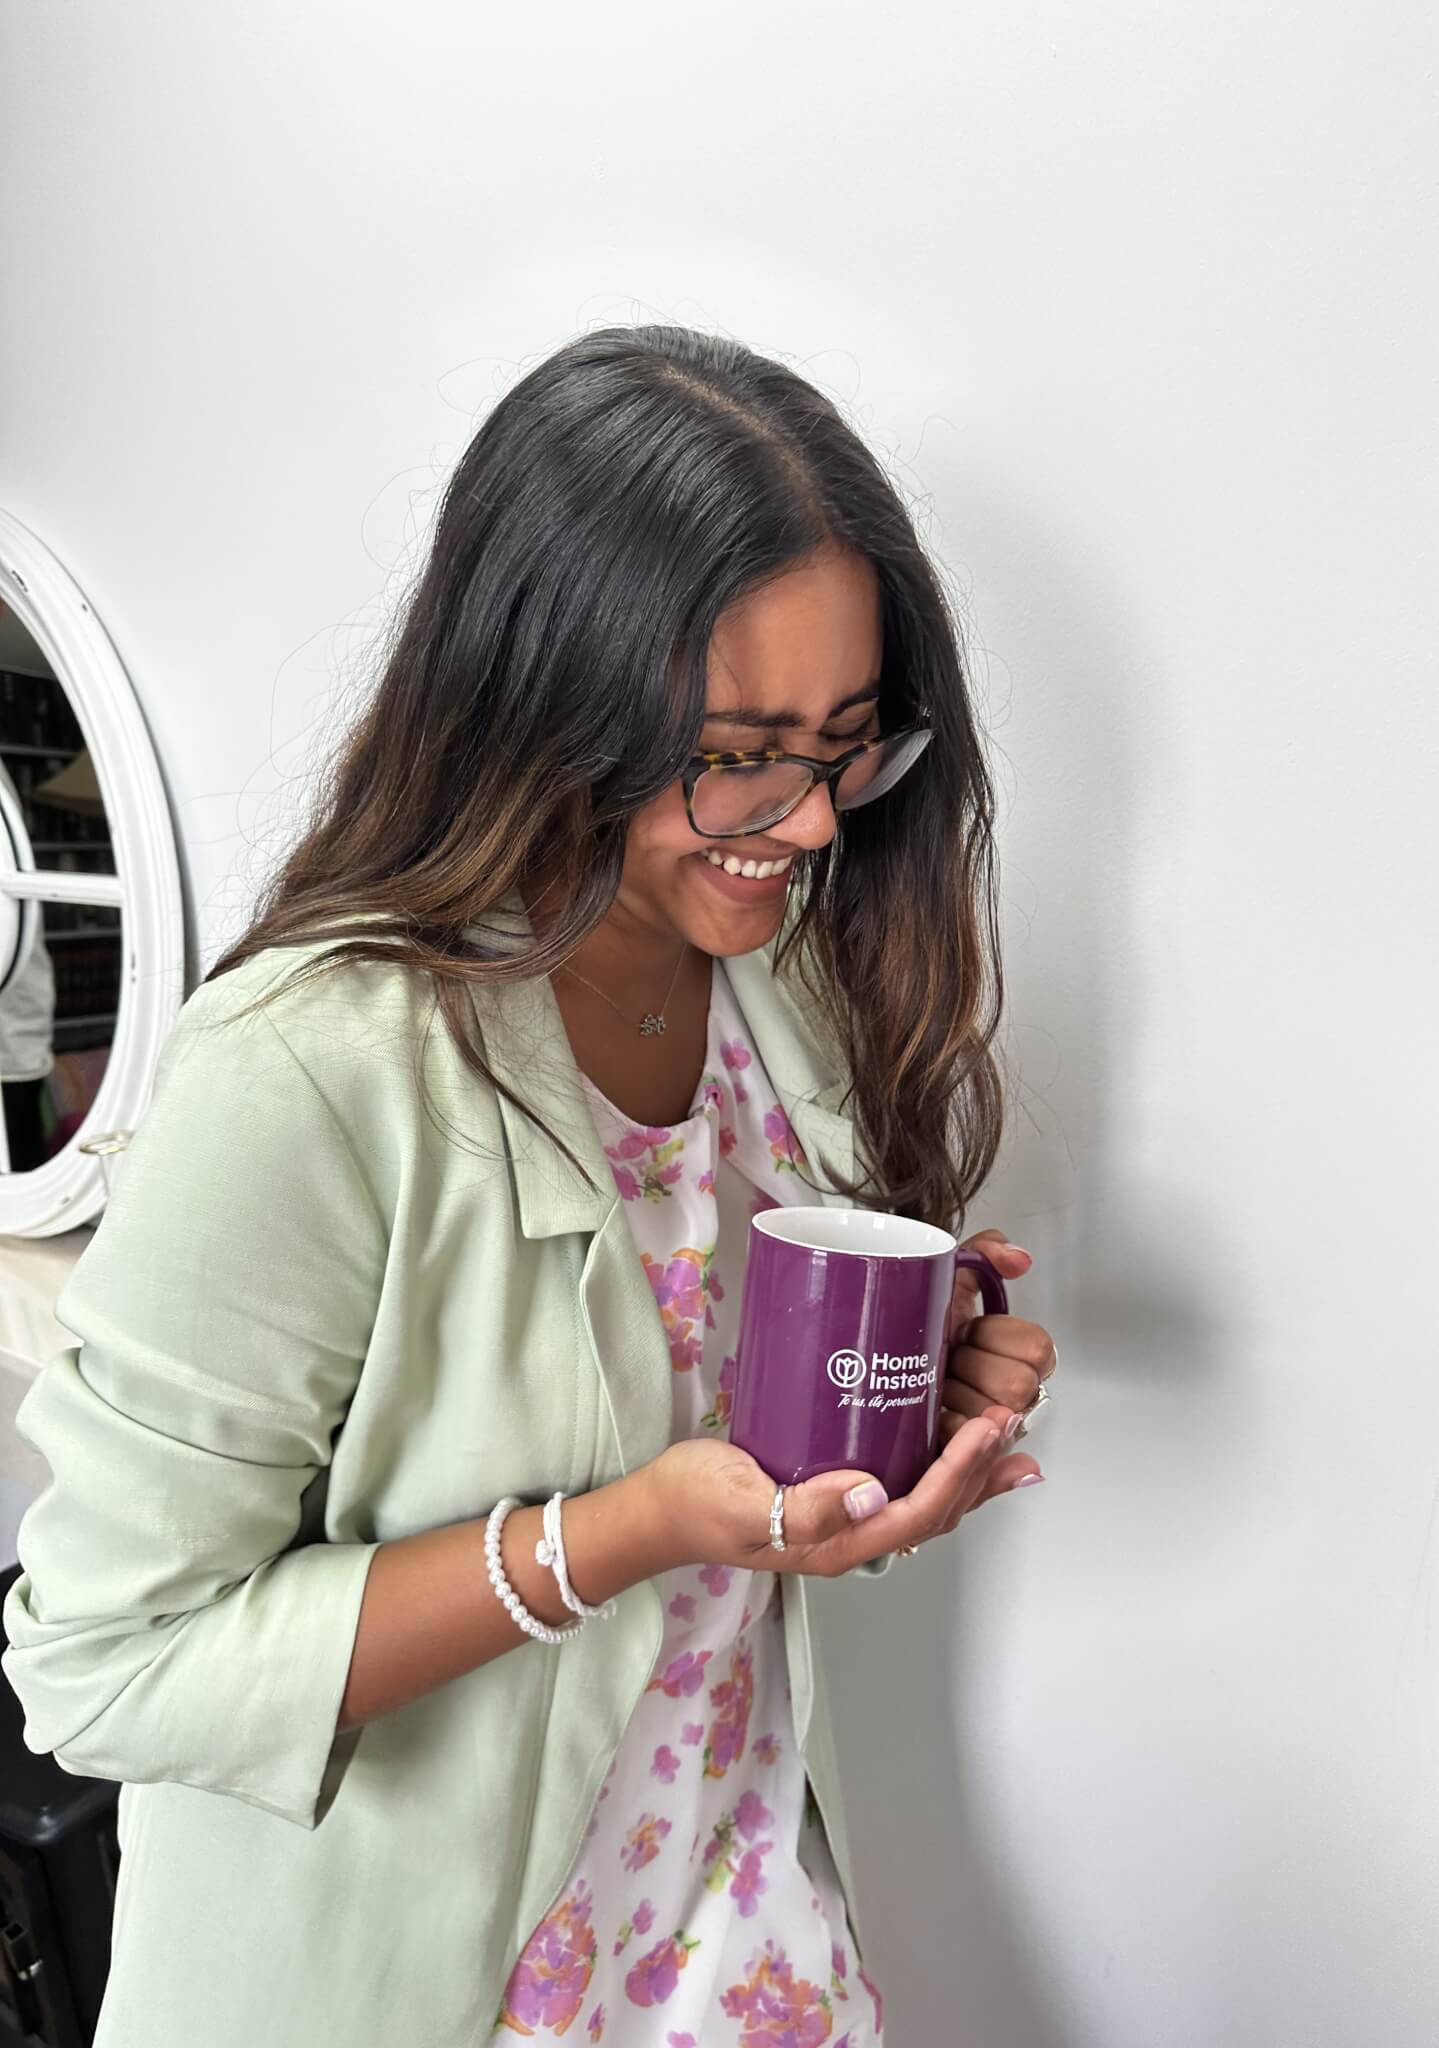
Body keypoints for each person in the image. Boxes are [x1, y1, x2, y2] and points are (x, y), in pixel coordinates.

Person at [1, 324, 1055, 2048]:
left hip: (742, 1935)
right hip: (428, 1991)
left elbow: (747, 1489)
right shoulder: (312, 1068)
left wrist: (896, 1403)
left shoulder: (783, 982)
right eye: (736, 753)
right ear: (541, 707)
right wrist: (617, 1533)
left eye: (847, 748)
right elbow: (104, 1668)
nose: (804, 827)